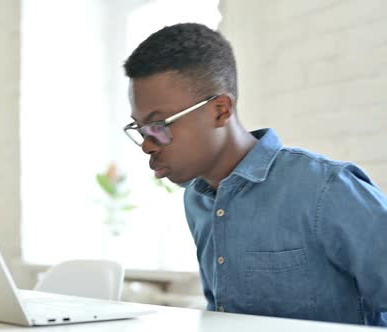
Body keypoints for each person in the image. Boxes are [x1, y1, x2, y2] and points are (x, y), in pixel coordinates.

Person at [122, 22, 387, 326]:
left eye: (159, 126)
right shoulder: (197, 199)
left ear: (220, 110)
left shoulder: (328, 190)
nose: (146, 145)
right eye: (140, 128)